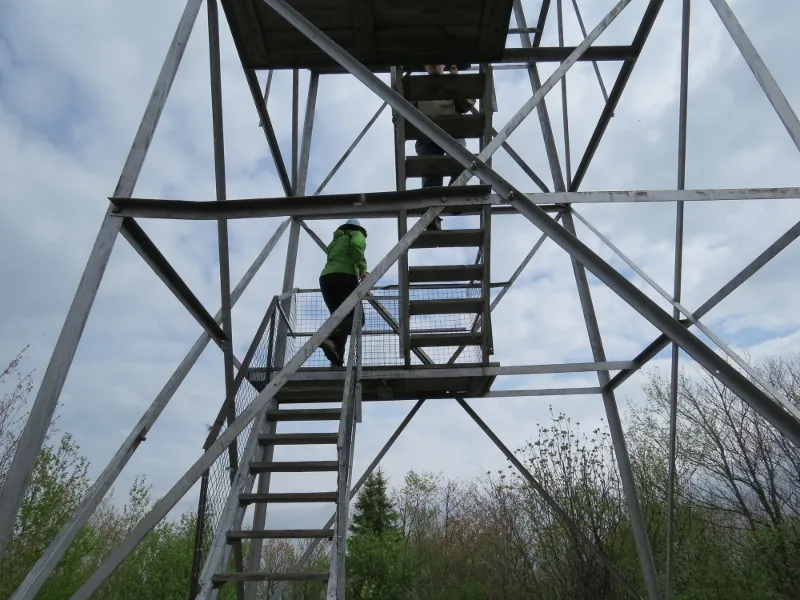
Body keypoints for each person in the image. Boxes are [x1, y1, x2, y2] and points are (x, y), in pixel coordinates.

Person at [414, 64, 475, 231]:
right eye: (430, 62)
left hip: (452, 130)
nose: (435, 65)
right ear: (425, 67)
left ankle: (454, 197)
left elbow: (466, 105)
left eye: (438, 62)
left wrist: (455, 80)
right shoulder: (416, 86)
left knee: (461, 161)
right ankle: (432, 217)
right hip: (426, 132)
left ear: (443, 66)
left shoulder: (450, 82)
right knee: (431, 173)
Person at [318, 218, 368, 367]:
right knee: (358, 320)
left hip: (326, 279)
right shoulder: (356, 234)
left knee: (339, 319)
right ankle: (328, 336)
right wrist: (362, 269)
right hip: (344, 276)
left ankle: (337, 360)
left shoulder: (334, 241)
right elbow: (356, 245)